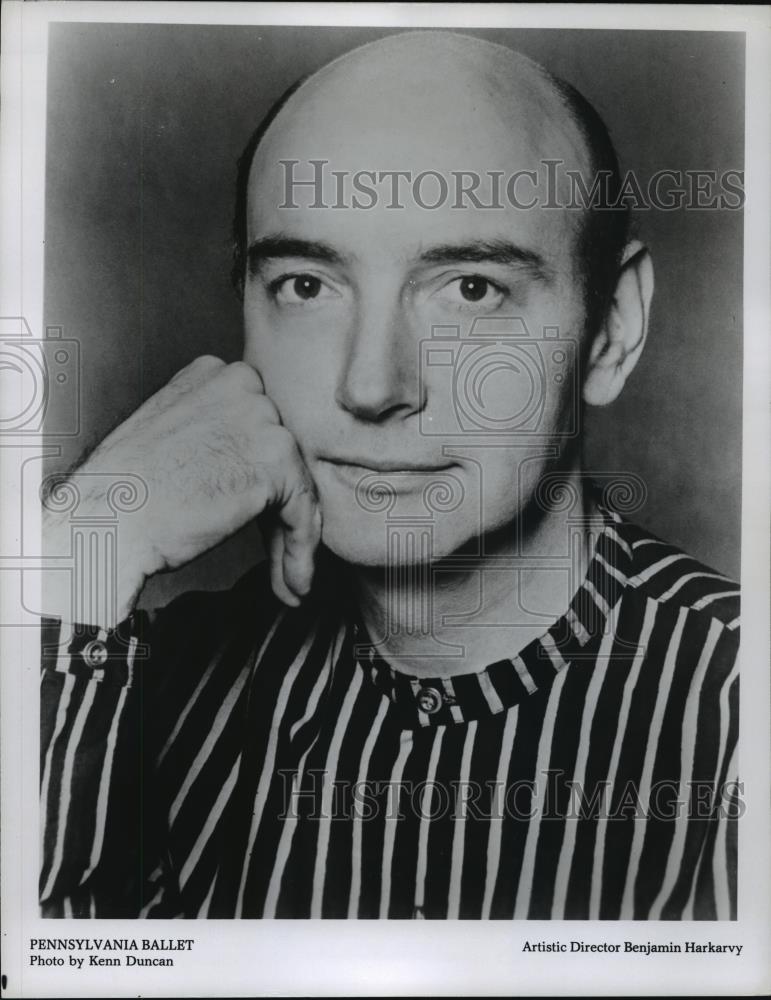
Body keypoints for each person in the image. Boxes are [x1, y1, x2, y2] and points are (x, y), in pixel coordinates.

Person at [39, 30, 739, 920]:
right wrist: (82, 547)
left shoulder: (733, 716)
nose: (370, 387)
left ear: (611, 328)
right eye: (305, 285)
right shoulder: (138, 683)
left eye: (471, 289)